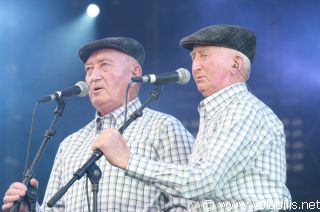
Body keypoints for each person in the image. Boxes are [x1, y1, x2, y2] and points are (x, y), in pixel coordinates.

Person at [89, 25, 292, 211]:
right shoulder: (221, 111)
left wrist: (128, 160)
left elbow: (202, 181)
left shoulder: (243, 109)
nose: (195, 66)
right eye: (193, 57)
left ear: (236, 63)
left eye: (204, 56)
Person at [2, 37, 195, 211]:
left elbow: (192, 201)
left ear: (135, 73)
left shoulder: (164, 128)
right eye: (89, 69)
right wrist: (30, 209)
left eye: (104, 66)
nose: (93, 76)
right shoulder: (70, 144)